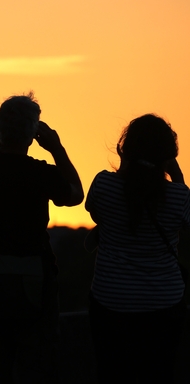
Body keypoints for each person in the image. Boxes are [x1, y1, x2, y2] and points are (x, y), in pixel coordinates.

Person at [0, 93, 83, 383]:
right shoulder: (40, 172)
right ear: (33, 135)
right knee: (36, 364)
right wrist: (57, 149)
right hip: (35, 280)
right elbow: (75, 194)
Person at [85, 114, 189, 383]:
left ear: (124, 148)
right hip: (164, 303)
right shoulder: (179, 196)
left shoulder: (104, 185)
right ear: (168, 155)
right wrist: (176, 174)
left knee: (112, 373)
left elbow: (98, 215)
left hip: (110, 300)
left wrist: (126, 166)